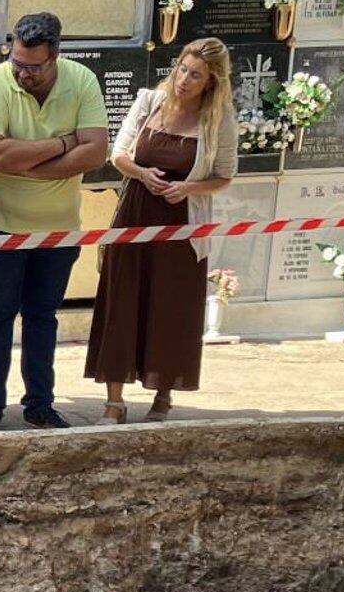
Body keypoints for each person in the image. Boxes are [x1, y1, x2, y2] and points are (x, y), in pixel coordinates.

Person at [0, 11, 109, 433]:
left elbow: (96, 151)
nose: (23, 73)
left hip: (58, 227)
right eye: (17, 62)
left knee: (42, 316)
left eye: (33, 66)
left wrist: (28, 162)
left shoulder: (81, 81)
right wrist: (63, 145)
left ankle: (39, 404)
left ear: (55, 57)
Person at [86, 39, 236, 423]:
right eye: (182, 70)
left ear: (212, 82)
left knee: (169, 308)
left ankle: (163, 393)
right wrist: (142, 173)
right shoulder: (149, 101)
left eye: (196, 75)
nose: (185, 80)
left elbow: (225, 175)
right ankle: (114, 400)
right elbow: (118, 153)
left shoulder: (218, 120)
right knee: (122, 301)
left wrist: (188, 187)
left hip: (181, 223)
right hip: (136, 213)